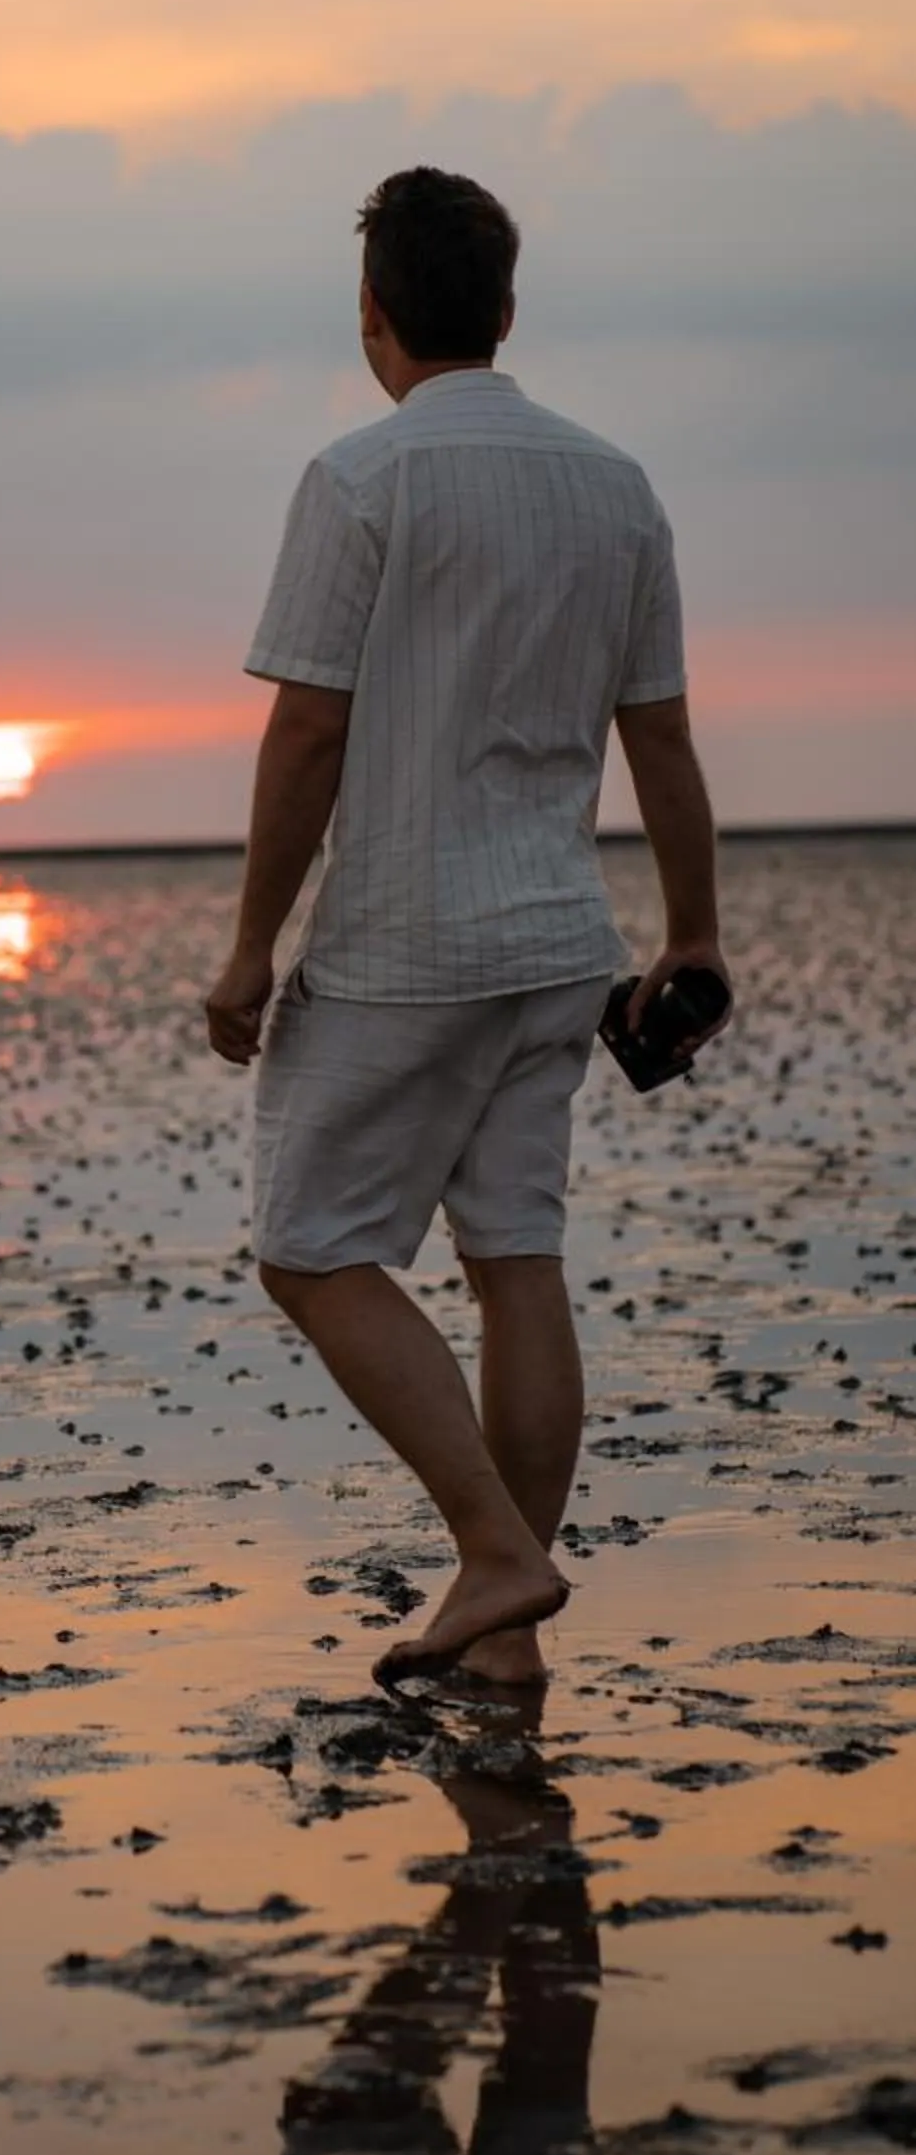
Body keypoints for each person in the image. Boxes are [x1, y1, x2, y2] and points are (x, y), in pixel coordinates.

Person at [205, 165, 729, 1687]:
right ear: (504, 310)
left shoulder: (361, 479)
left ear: (372, 319)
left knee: (308, 1251)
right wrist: (690, 934)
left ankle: (496, 1557)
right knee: (514, 1257)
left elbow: (306, 733)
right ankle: (502, 1635)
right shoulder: (613, 486)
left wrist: (248, 946)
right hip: (560, 944)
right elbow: (665, 741)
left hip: (401, 946)